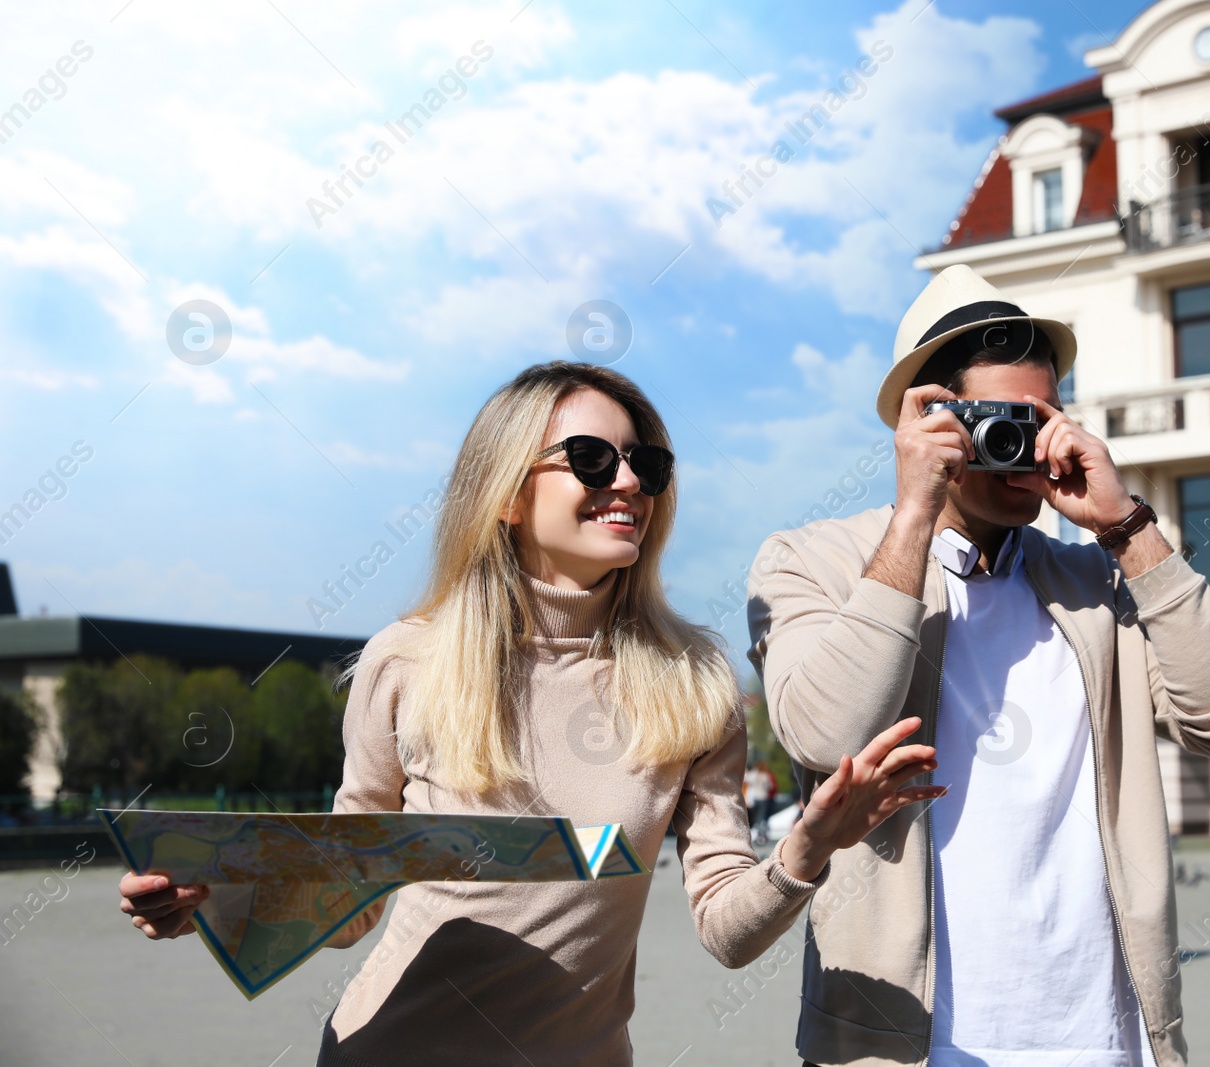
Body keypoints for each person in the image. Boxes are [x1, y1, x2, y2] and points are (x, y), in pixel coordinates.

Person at [116, 361, 945, 1066]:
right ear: (508, 493)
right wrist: (211, 893)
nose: (627, 482)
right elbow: (351, 901)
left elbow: (727, 933)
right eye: (590, 458)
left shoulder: (695, 680)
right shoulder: (407, 659)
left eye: (645, 465)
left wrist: (807, 846)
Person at [746, 265, 1210, 1067]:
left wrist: (1129, 528)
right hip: (909, 1048)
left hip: (1103, 1040)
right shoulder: (810, 562)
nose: (1019, 446)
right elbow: (829, 737)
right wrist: (916, 512)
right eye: (994, 420)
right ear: (925, 420)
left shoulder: (1095, 583)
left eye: (1039, 419)